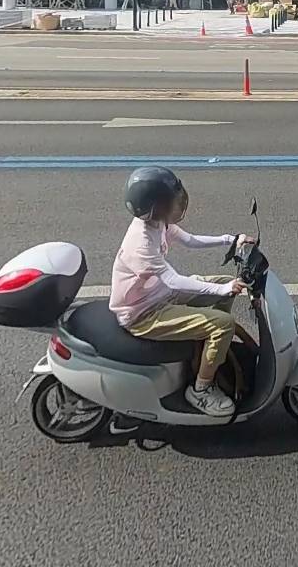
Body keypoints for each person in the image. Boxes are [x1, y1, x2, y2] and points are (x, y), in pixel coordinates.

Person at [109, 166, 249, 417]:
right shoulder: (140, 244)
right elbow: (174, 281)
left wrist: (231, 239)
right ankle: (201, 390)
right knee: (223, 323)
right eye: (170, 200)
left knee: (226, 287)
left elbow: (190, 240)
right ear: (155, 207)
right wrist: (222, 288)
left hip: (160, 295)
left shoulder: (157, 223)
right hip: (143, 314)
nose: (177, 202)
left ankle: (210, 347)